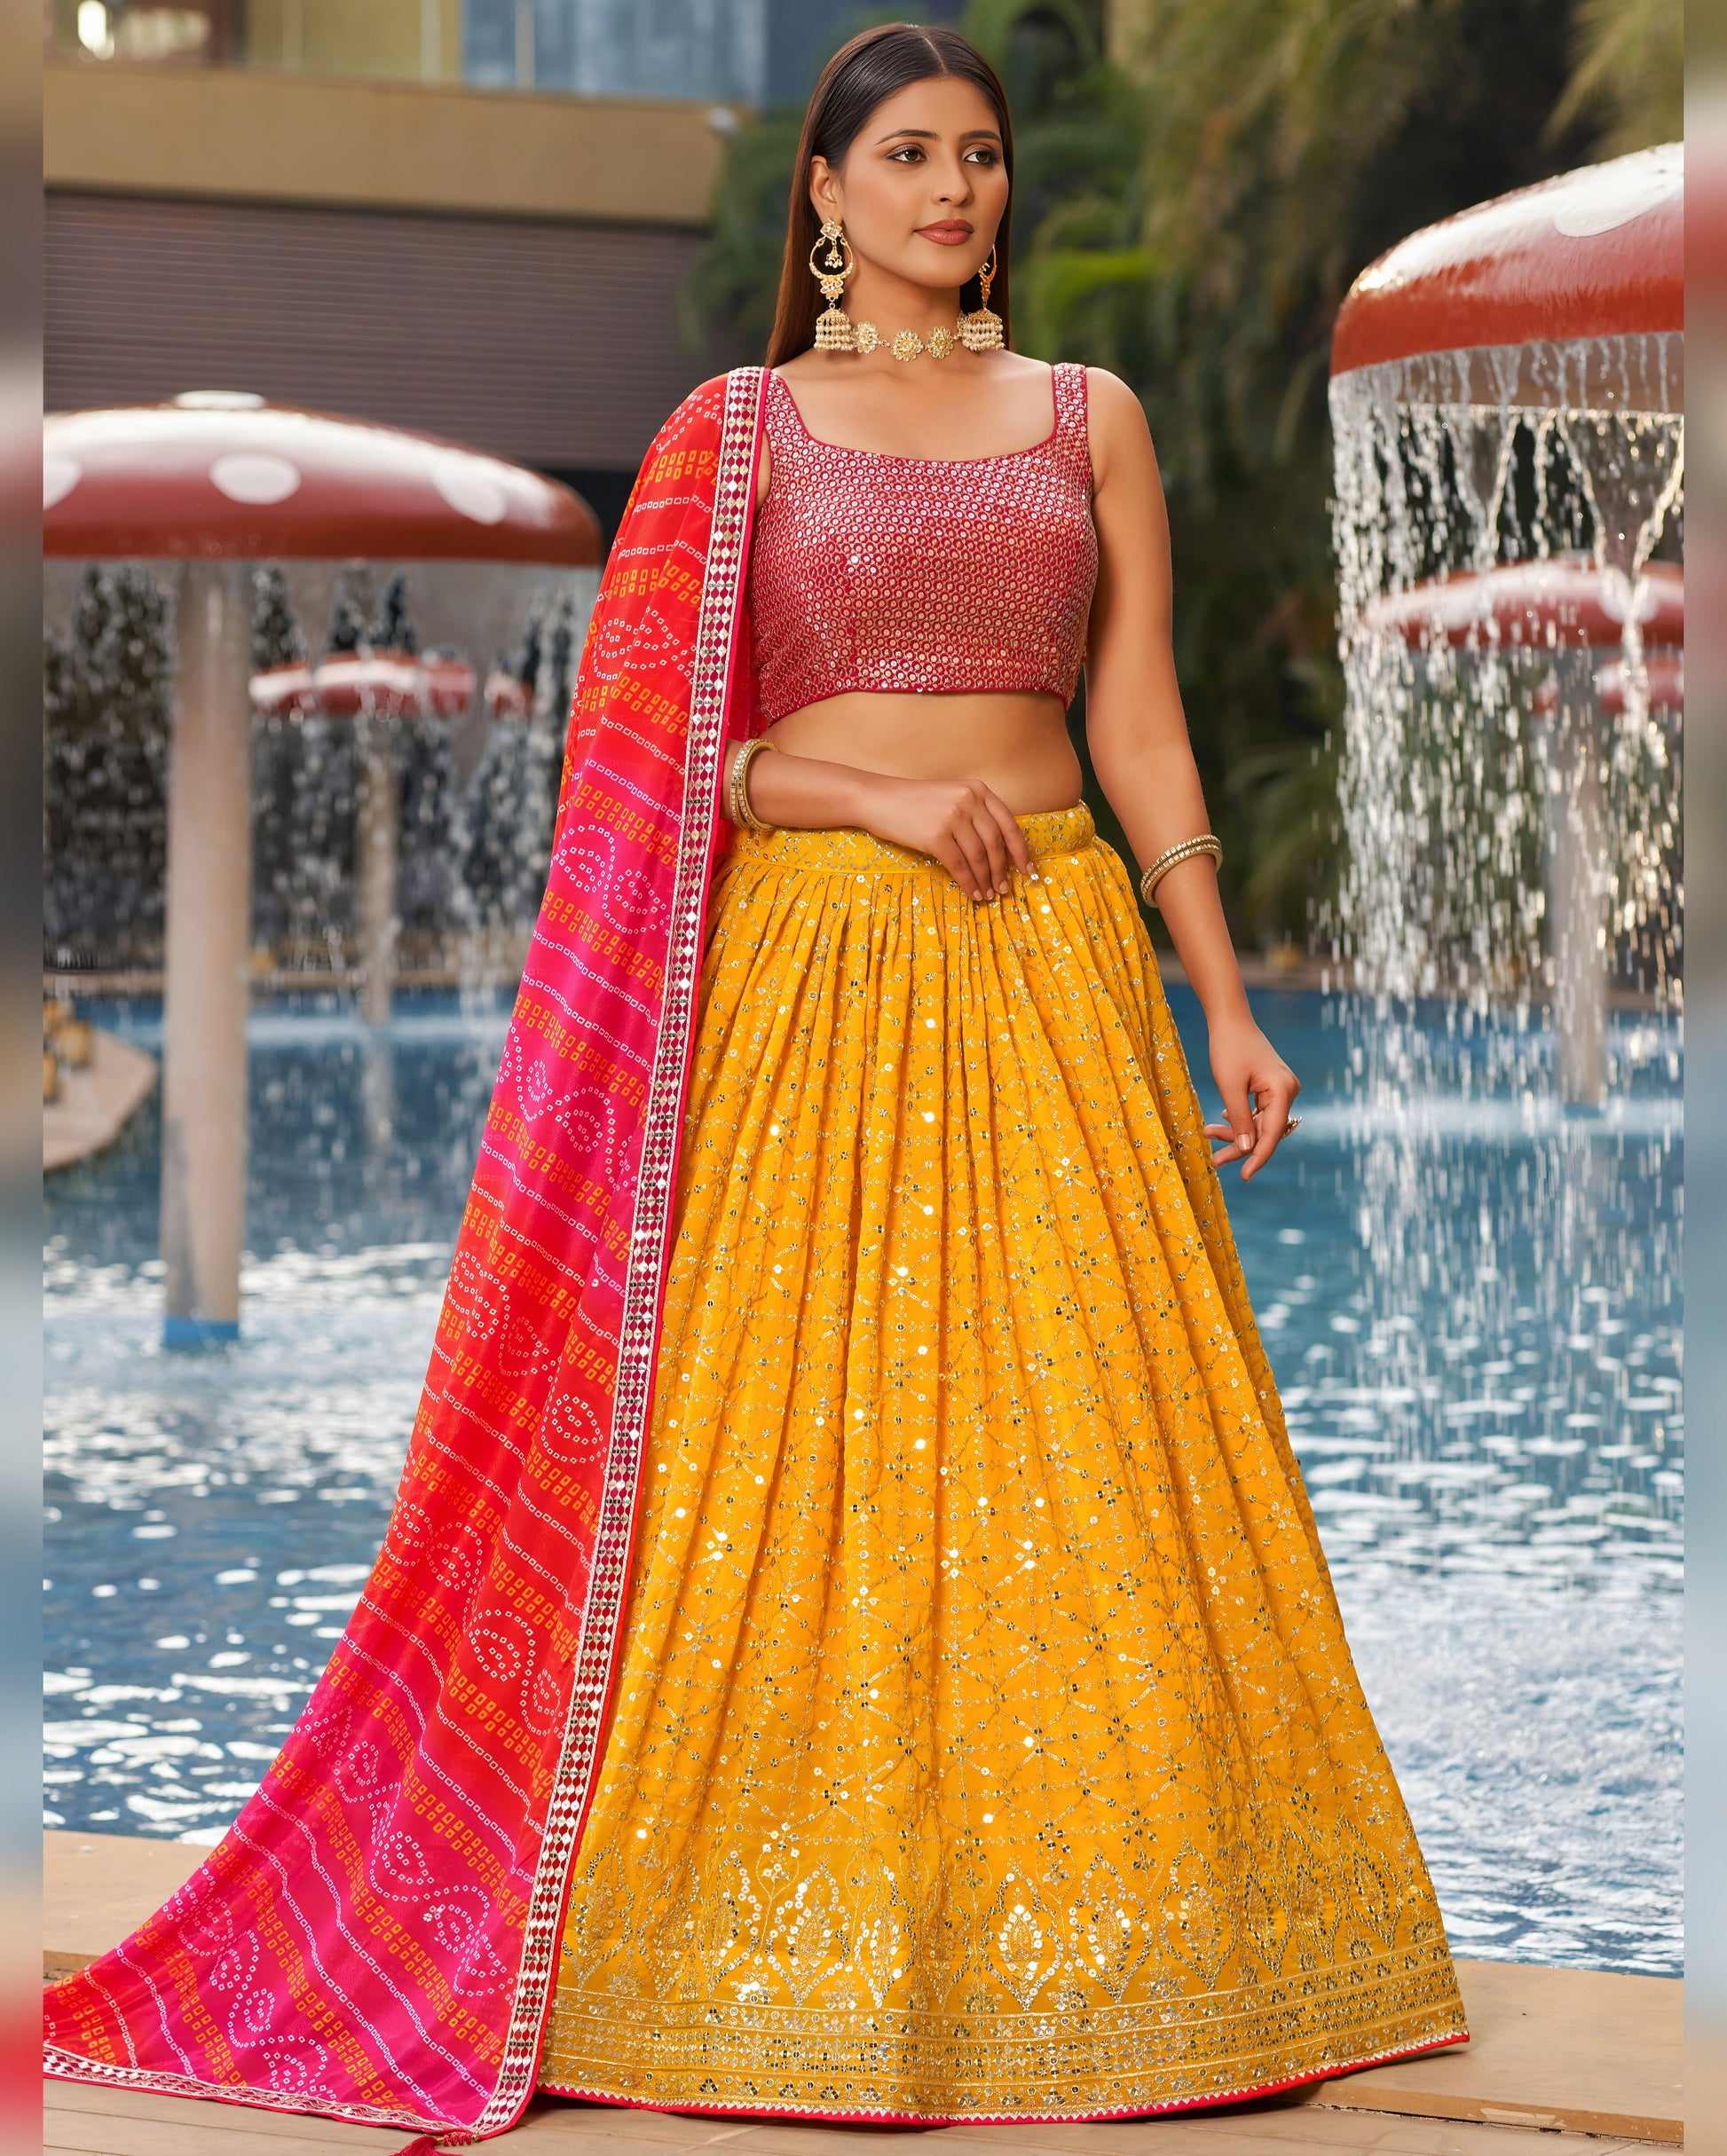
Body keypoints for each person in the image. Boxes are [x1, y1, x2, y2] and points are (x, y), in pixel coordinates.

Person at [43, 21, 1466, 2144]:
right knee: (787, 1476)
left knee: (1084, 1460)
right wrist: (847, 797)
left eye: (977, 156)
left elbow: (1142, 718)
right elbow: (652, 763)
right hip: (810, 981)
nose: (952, 191)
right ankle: (737, 1953)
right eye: (904, 155)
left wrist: (1221, 990)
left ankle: (1152, 1958)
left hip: (1058, 965)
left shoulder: (1094, 417)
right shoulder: (735, 436)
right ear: (822, 192)